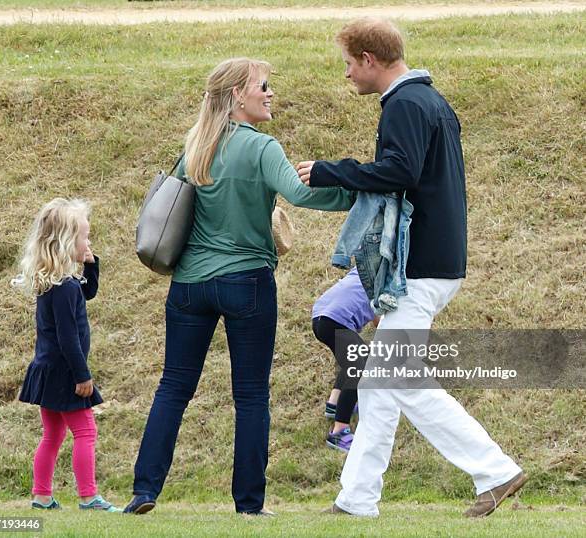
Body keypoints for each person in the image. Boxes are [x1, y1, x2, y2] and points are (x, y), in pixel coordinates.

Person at [297, 19, 526, 518]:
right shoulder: (431, 100)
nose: (347, 75)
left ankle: (495, 469)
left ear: (369, 60)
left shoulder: (403, 105)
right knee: (382, 386)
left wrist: (331, 170)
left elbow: (401, 171)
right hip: (438, 260)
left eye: (349, 64)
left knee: (397, 379)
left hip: (417, 266)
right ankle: (356, 499)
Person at [124, 57, 354, 516]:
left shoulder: (195, 147)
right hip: (246, 282)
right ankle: (249, 504)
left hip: (189, 285)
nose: (270, 93)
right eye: (262, 86)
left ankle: (144, 492)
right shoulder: (262, 147)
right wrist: (356, 189)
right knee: (250, 395)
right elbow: (303, 194)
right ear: (237, 96)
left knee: (173, 387)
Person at [14, 198, 121, 512]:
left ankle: (41, 495)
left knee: (53, 434)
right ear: (64, 243)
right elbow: (68, 338)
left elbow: (89, 291)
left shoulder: (57, 283)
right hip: (66, 373)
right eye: (84, 237)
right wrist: (82, 375)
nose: (88, 242)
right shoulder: (64, 288)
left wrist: (90, 263)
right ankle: (88, 497)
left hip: (47, 370)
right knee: (86, 431)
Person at [312, 268, 377, 452]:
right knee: (361, 366)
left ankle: (334, 402)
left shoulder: (363, 268)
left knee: (354, 360)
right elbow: (378, 321)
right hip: (336, 319)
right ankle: (339, 430)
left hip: (320, 315)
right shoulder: (386, 278)